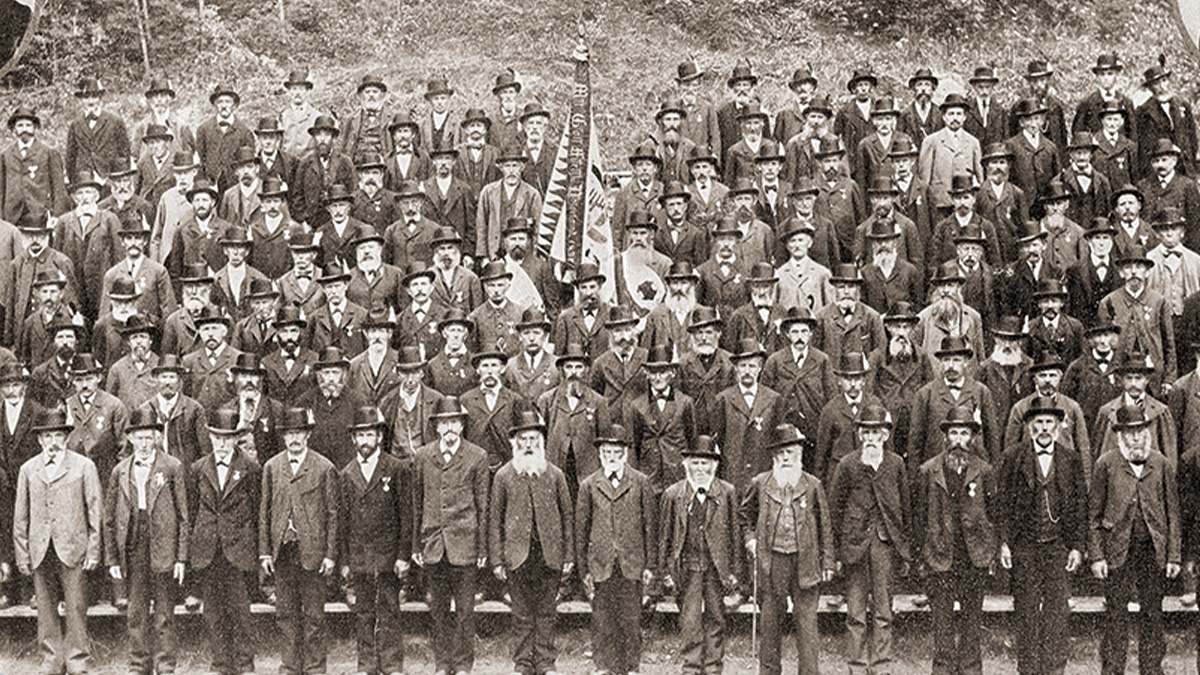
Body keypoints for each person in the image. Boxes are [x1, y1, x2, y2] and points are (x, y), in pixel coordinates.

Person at [997, 395, 1088, 675]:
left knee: (1057, 615)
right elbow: (1002, 503)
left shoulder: (1071, 459)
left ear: (1059, 426)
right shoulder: (1013, 457)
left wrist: (1077, 547)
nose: (1045, 427)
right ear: (1029, 426)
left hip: (1058, 547)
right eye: (1039, 422)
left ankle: (1053, 670)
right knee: (1025, 613)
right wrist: (1004, 542)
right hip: (1025, 547)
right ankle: (1028, 669)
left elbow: (1080, 506)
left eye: (1050, 421)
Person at [1090, 404, 1181, 675]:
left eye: (1140, 431)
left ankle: (1151, 669)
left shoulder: (1161, 464)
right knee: (1115, 615)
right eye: (1129, 433)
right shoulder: (1105, 464)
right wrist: (1096, 555)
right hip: (1117, 550)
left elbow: (1172, 514)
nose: (1136, 438)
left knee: (1152, 614)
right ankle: (1113, 669)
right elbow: (1093, 515)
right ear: (1119, 435)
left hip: (1153, 551)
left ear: (1147, 432)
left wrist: (1174, 555)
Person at [13, 408, 103, 675]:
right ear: (40, 440)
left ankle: (77, 660)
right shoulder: (28, 469)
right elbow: (20, 516)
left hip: (73, 547)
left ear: (66, 437)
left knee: (76, 605)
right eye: (47, 436)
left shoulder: (83, 466)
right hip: (41, 548)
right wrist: (22, 554)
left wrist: (94, 549)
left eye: (57, 435)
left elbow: (95, 510)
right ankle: (51, 658)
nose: (52, 442)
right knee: (45, 606)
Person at [913, 407, 998, 675]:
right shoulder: (929, 470)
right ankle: (942, 670)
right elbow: (918, 517)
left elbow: (994, 515)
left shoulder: (984, 471)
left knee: (972, 622)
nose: (959, 439)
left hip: (974, 556)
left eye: (964, 433)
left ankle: (971, 670)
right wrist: (922, 556)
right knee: (942, 622)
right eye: (954, 433)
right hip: (940, 556)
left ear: (972, 438)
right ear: (946, 437)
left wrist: (990, 552)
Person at [489, 409, 575, 675]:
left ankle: (546, 663)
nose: (528, 445)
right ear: (515, 443)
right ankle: (524, 663)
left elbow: (567, 517)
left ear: (541, 442)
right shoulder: (503, 476)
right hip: (517, 555)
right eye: (523, 440)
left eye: (533, 440)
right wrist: (497, 559)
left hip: (548, 554)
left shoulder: (555, 475)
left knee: (547, 613)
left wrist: (569, 555)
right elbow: (495, 520)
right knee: (522, 614)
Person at [828, 403, 911, 675]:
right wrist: (837, 553)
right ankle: (857, 665)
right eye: (867, 432)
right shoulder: (848, 464)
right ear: (860, 434)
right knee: (855, 612)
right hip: (855, 547)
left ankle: (882, 664)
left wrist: (905, 549)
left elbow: (905, 508)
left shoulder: (896, 464)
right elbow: (834, 509)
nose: (872, 438)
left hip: (884, 545)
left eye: (877, 433)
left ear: (886, 435)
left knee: (884, 610)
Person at [104, 407, 187, 675]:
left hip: (163, 543)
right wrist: (113, 559)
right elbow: (110, 519)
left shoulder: (172, 467)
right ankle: (138, 665)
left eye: (148, 438)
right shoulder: (120, 471)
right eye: (138, 438)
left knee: (164, 613)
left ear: (156, 439)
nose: (143, 444)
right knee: (136, 612)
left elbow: (184, 516)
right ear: (130, 439)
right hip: (133, 544)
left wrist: (181, 557)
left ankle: (165, 666)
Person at [411, 396, 490, 675]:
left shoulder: (476, 456)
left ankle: (463, 665)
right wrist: (416, 545)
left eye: (454, 422)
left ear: (462, 425)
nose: (449, 428)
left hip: (465, 544)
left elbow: (483, 506)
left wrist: (482, 549)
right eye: (444, 422)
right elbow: (417, 504)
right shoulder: (422, 456)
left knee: (466, 611)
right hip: (433, 544)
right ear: (436, 427)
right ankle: (443, 664)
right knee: (439, 610)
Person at [259, 408, 338, 675]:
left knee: (314, 615)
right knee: (286, 615)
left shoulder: (324, 467)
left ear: (308, 435)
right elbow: (264, 512)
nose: (294, 438)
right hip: (283, 552)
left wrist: (330, 555)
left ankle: (315, 667)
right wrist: (265, 553)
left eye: (299, 433)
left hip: (312, 552)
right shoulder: (272, 467)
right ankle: (290, 666)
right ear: (283, 437)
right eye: (289, 433)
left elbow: (332, 515)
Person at [574, 423, 657, 675]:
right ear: (600, 454)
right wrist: (584, 569)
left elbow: (650, 527)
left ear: (625, 454)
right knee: (602, 619)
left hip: (631, 562)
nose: (612, 457)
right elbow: (581, 530)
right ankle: (603, 666)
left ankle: (631, 667)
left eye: (617, 452)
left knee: (631, 619)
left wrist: (650, 565)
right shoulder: (589, 485)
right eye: (607, 452)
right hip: (601, 563)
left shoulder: (640, 482)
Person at [337, 406, 411, 675]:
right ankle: (366, 665)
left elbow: (406, 515)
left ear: (379, 436)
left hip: (388, 555)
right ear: (353, 439)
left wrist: (403, 556)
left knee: (390, 610)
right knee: (364, 612)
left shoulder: (395, 468)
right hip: (360, 557)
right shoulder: (346, 474)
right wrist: (344, 561)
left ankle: (391, 665)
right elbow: (342, 523)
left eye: (370, 434)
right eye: (360, 435)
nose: (365, 441)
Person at [659, 435, 742, 675]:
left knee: (717, 618)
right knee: (690, 621)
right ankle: (691, 668)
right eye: (695, 463)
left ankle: (714, 667)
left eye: (705, 463)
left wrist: (735, 572)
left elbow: (735, 536)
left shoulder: (727, 492)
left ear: (714, 465)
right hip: (688, 567)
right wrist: (665, 571)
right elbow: (665, 537)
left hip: (717, 568)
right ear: (686, 465)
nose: (700, 469)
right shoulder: (674, 495)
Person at [187, 408, 259, 675]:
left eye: (227, 438)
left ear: (235, 439)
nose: (221, 444)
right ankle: (220, 665)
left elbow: (255, 509)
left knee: (240, 613)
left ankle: (244, 665)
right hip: (208, 551)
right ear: (210, 437)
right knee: (214, 614)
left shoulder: (250, 468)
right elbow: (194, 510)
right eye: (217, 438)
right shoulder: (198, 468)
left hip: (237, 551)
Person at [907, 336, 1001, 467]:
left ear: (966, 362)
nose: (951, 366)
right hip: (937, 473)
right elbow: (915, 443)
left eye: (956, 360)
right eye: (946, 360)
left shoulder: (981, 392)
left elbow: (992, 439)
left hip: (973, 471)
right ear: (940, 362)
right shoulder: (925, 394)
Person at [709, 338, 784, 492]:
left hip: (763, 472)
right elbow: (719, 440)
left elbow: (778, 441)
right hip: (733, 475)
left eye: (752, 366)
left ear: (760, 369)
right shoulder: (724, 399)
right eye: (743, 366)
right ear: (736, 368)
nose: (748, 371)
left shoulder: (773, 399)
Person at [537, 343, 611, 497]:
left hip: (586, 470)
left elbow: (604, 439)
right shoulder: (547, 400)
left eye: (578, 367)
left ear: (586, 370)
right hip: (557, 467)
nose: (573, 372)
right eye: (569, 367)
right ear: (561, 370)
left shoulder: (598, 401)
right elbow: (540, 438)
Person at [628, 344, 698, 493]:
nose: (658, 377)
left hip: (676, 475)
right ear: (646, 373)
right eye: (653, 372)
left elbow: (692, 440)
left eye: (662, 372)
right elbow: (634, 445)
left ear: (672, 373)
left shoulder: (685, 403)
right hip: (649, 476)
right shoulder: (637, 405)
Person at [815, 351, 884, 484]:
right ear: (839, 381)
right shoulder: (830, 410)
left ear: (863, 380)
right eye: (847, 379)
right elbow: (821, 455)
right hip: (838, 477)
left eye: (857, 378)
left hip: (868, 475)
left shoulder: (874, 404)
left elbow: (886, 446)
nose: (852, 384)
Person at [918, 93, 983, 221]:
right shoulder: (931, 141)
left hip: (965, 204)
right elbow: (924, 178)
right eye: (951, 114)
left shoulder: (973, 142)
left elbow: (979, 176)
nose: (955, 118)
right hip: (940, 203)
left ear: (964, 117)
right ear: (944, 117)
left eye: (959, 114)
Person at [139, 354, 211, 466]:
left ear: (179, 381)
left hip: (186, 474)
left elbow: (205, 450)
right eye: (163, 377)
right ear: (156, 379)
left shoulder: (194, 409)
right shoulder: (145, 410)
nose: (167, 382)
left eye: (172, 377)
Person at [0, 105, 69, 221]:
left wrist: (57, 216)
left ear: (35, 128)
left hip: (39, 215)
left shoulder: (48, 153)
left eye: (28, 125)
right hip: (12, 216)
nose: (24, 129)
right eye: (20, 126)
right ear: (14, 129)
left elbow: (59, 189)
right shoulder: (5, 155)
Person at [475, 146, 542, 260]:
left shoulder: (532, 194)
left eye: (515, 166)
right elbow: (481, 226)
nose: (511, 171)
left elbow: (537, 230)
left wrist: (532, 257)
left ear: (522, 167)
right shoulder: (488, 192)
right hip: (494, 254)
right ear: (501, 168)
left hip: (520, 254)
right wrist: (483, 257)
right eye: (507, 166)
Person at [1137, 59, 1198, 178]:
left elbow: (1192, 139)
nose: (1162, 87)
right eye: (1156, 83)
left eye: (1164, 81)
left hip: (1186, 169)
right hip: (1162, 171)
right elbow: (1145, 148)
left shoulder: (1182, 105)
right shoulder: (1143, 112)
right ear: (1150, 88)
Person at [64, 77, 130, 183]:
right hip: (84, 179)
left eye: (94, 96)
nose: (90, 101)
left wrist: (119, 177)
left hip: (109, 176)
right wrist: (74, 180)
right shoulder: (75, 125)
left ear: (100, 98)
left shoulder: (115, 121)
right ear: (81, 100)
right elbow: (70, 157)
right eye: (86, 97)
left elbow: (124, 154)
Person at [294, 116, 355, 230]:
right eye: (318, 135)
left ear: (334, 139)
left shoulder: (345, 162)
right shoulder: (305, 163)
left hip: (339, 222)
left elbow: (353, 194)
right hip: (313, 223)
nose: (322, 139)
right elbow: (298, 197)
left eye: (326, 135)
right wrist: (304, 222)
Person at [194, 84, 254, 194]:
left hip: (235, 187)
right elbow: (202, 158)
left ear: (234, 105)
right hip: (210, 186)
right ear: (215, 105)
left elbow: (248, 162)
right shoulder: (204, 129)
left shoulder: (245, 132)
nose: (224, 106)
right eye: (220, 102)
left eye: (228, 102)